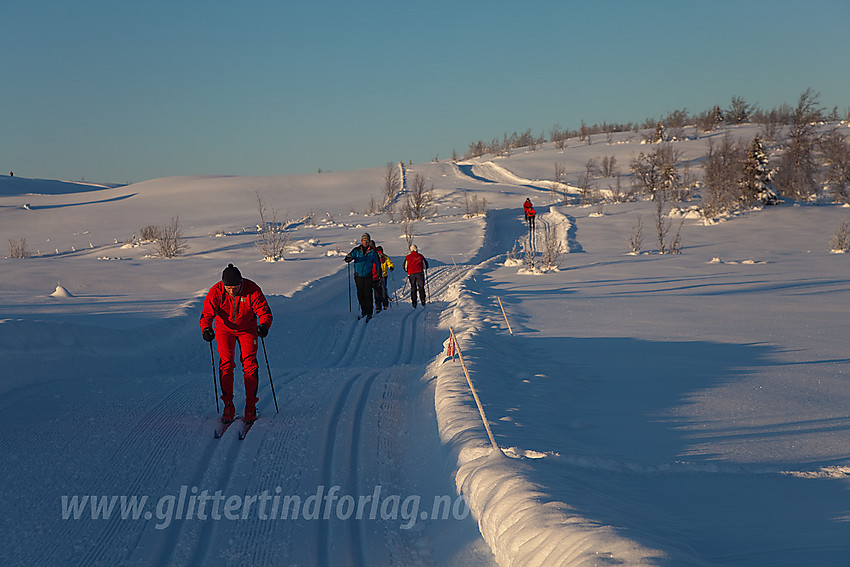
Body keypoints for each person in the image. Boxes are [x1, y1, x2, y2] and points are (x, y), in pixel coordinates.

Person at [200, 264, 273, 423]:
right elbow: (206, 315)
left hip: (248, 329)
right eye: (228, 288)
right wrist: (206, 329)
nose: (232, 291)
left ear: (241, 283)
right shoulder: (216, 291)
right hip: (224, 330)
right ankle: (228, 405)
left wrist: (263, 325)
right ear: (223, 285)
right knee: (226, 365)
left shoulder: (252, 289)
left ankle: (251, 406)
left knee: (250, 365)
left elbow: (265, 312)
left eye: (235, 287)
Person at [344, 233, 381, 320]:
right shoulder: (356, 250)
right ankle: (363, 311)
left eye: (367, 240)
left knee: (368, 294)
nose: (365, 242)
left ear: (369, 241)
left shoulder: (372, 252)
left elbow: (377, 263)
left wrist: (379, 275)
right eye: (364, 240)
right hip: (358, 276)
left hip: (368, 275)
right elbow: (350, 256)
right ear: (361, 241)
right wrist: (348, 258)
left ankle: (369, 312)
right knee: (360, 294)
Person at [403, 244, 429, 308]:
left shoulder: (408, 257)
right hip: (420, 273)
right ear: (416, 249)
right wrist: (424, 268)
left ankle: (414, 302)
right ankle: (423, 300)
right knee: (421, 287)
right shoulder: (420, 256)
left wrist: (408, 271)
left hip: (411, 274)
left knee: (413, 287)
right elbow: (426, 265)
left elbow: (405, 266)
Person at [375, 245, 394, 311]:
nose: (379, 254)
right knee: (378, 290)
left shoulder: (385, 257)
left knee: (383, 290)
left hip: (384, 275)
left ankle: (385, 304)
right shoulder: (375, 258)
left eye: (380, 252)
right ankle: (378, 305)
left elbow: (389, 262)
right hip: (376, 276)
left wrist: (391, 267)